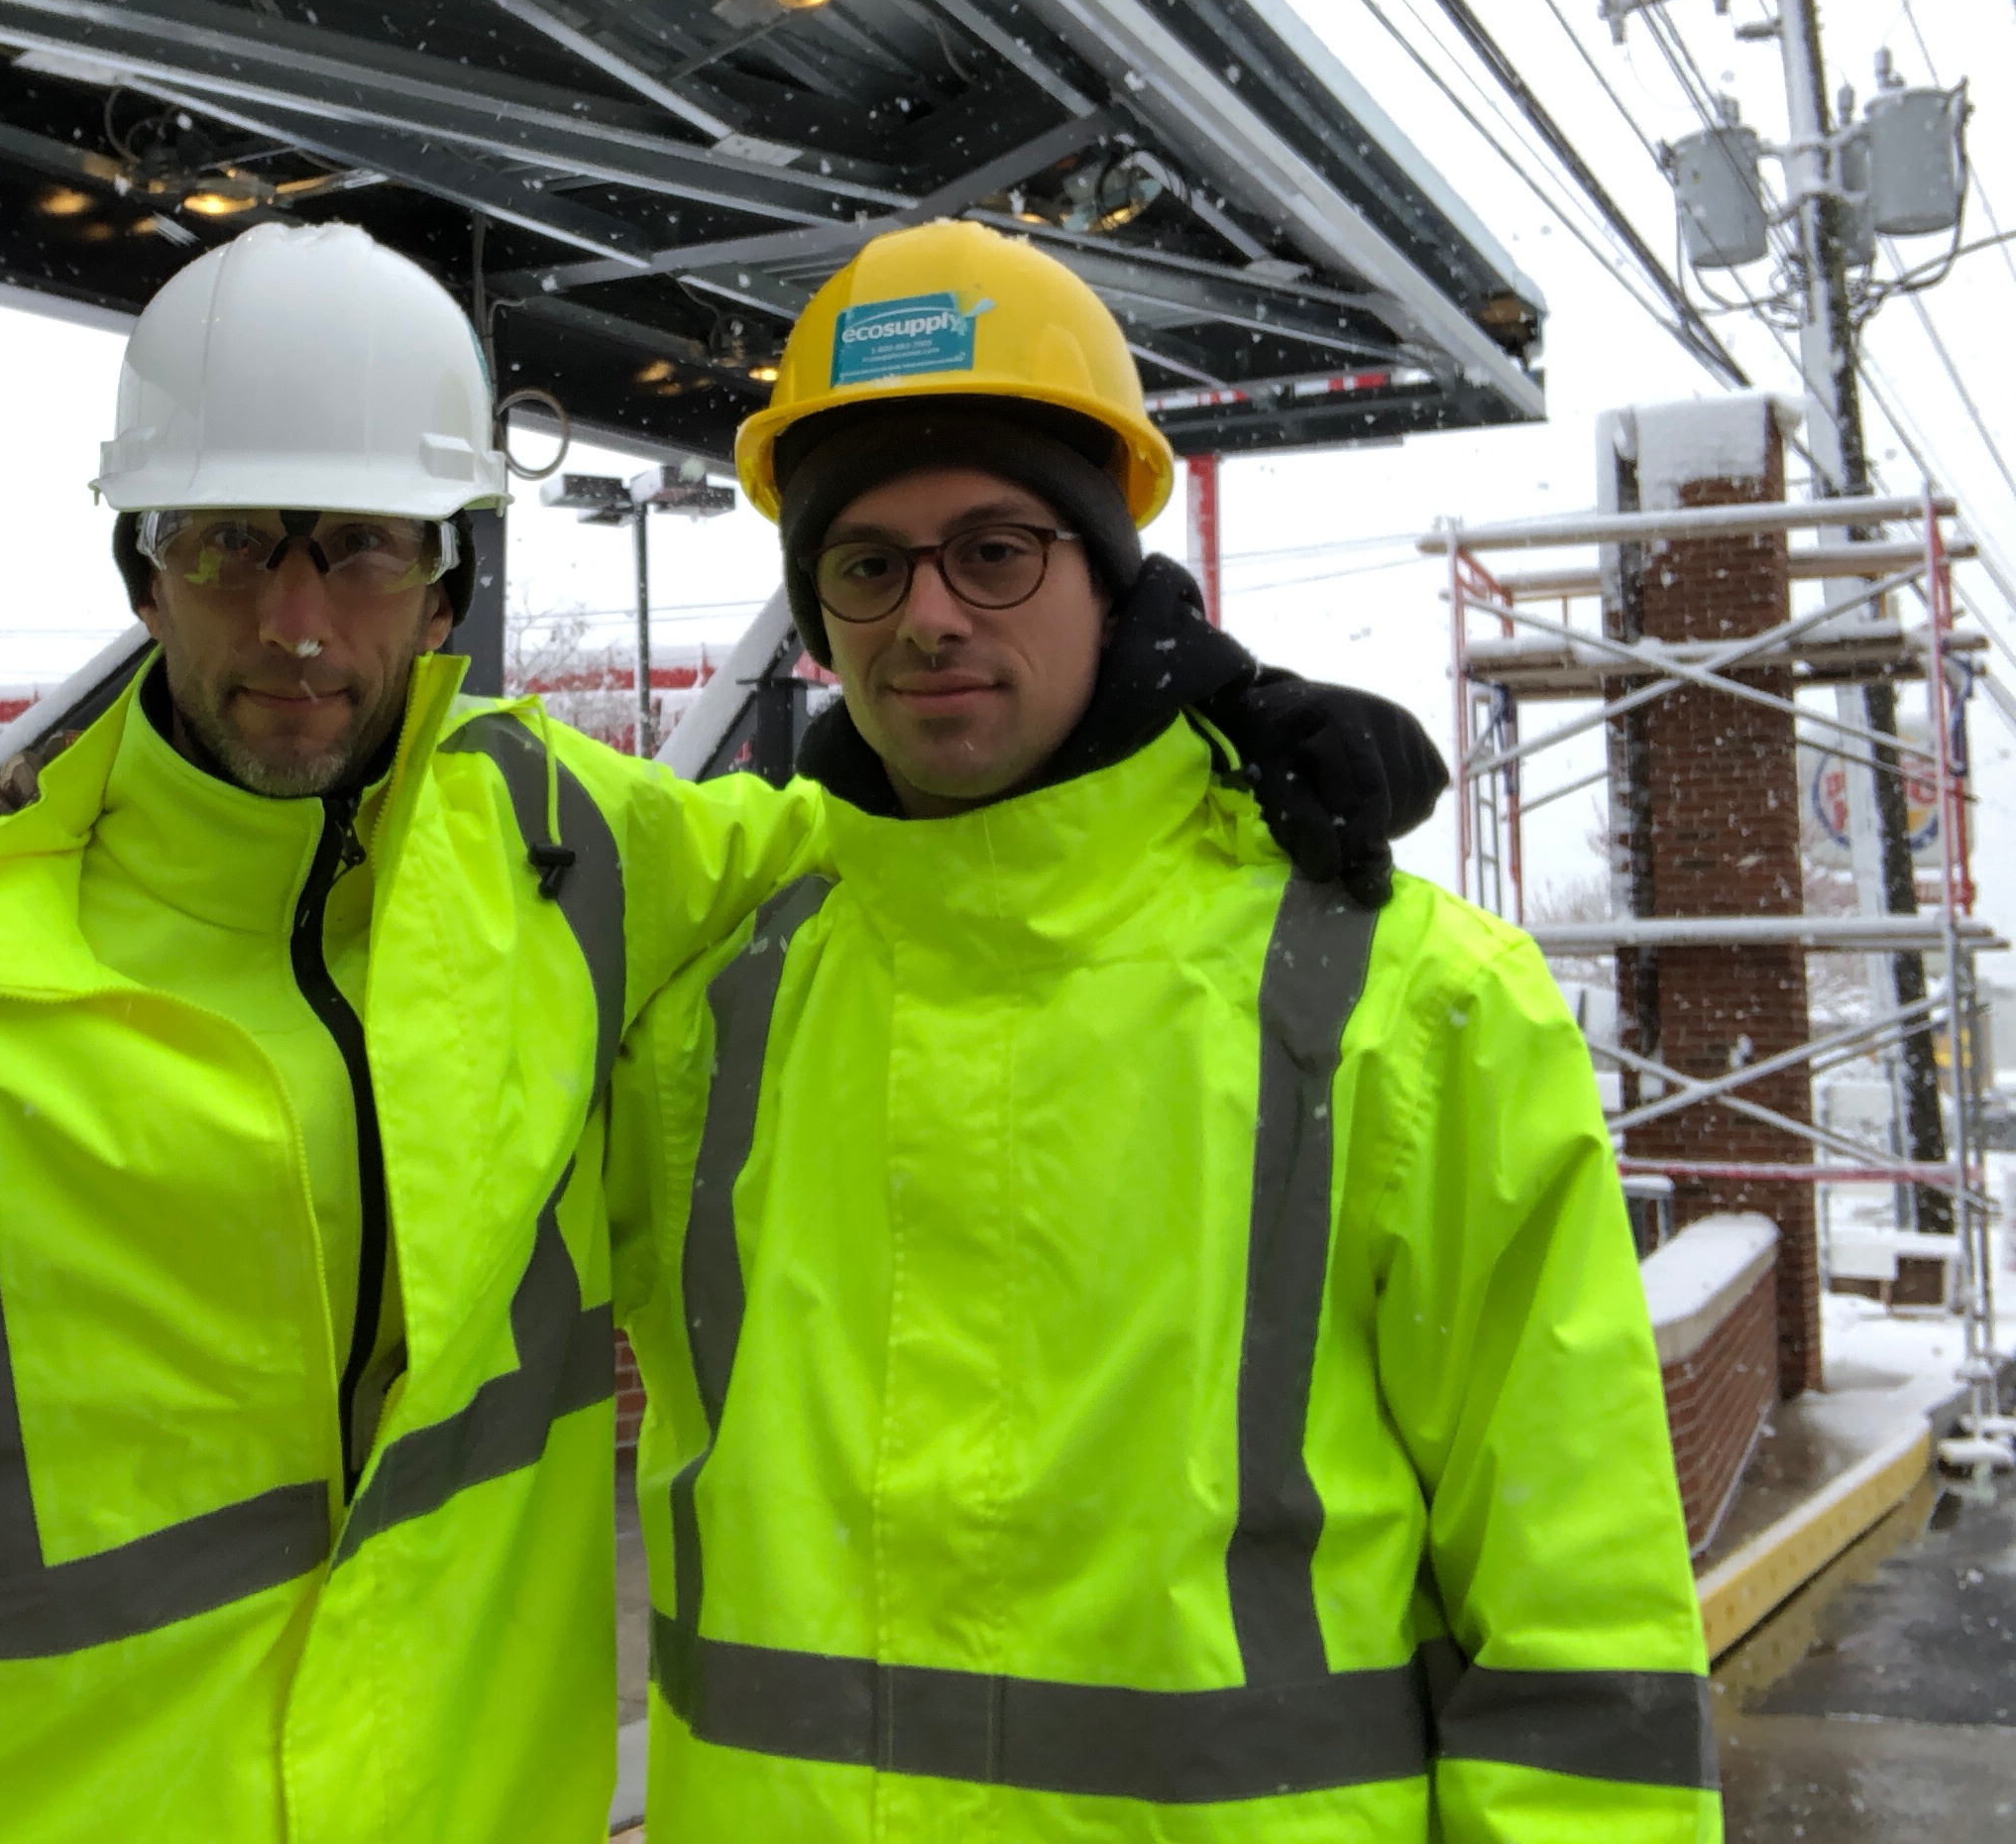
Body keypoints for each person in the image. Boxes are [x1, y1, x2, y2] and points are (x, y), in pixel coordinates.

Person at [0, 221, 1442, 1842]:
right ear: (143, 569)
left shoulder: (574, 863)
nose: (294, 618)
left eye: (354, 548)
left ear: (440, 584)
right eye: (235, 542)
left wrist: (1181, 727)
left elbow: (942, 833)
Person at [613, 221, 1714, 1842]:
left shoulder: (1405, 1007)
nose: (928, 616)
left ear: (1110, 573)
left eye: (997, 549)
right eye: (868, 564)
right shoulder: (718, 1015)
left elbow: (1582, 1636)